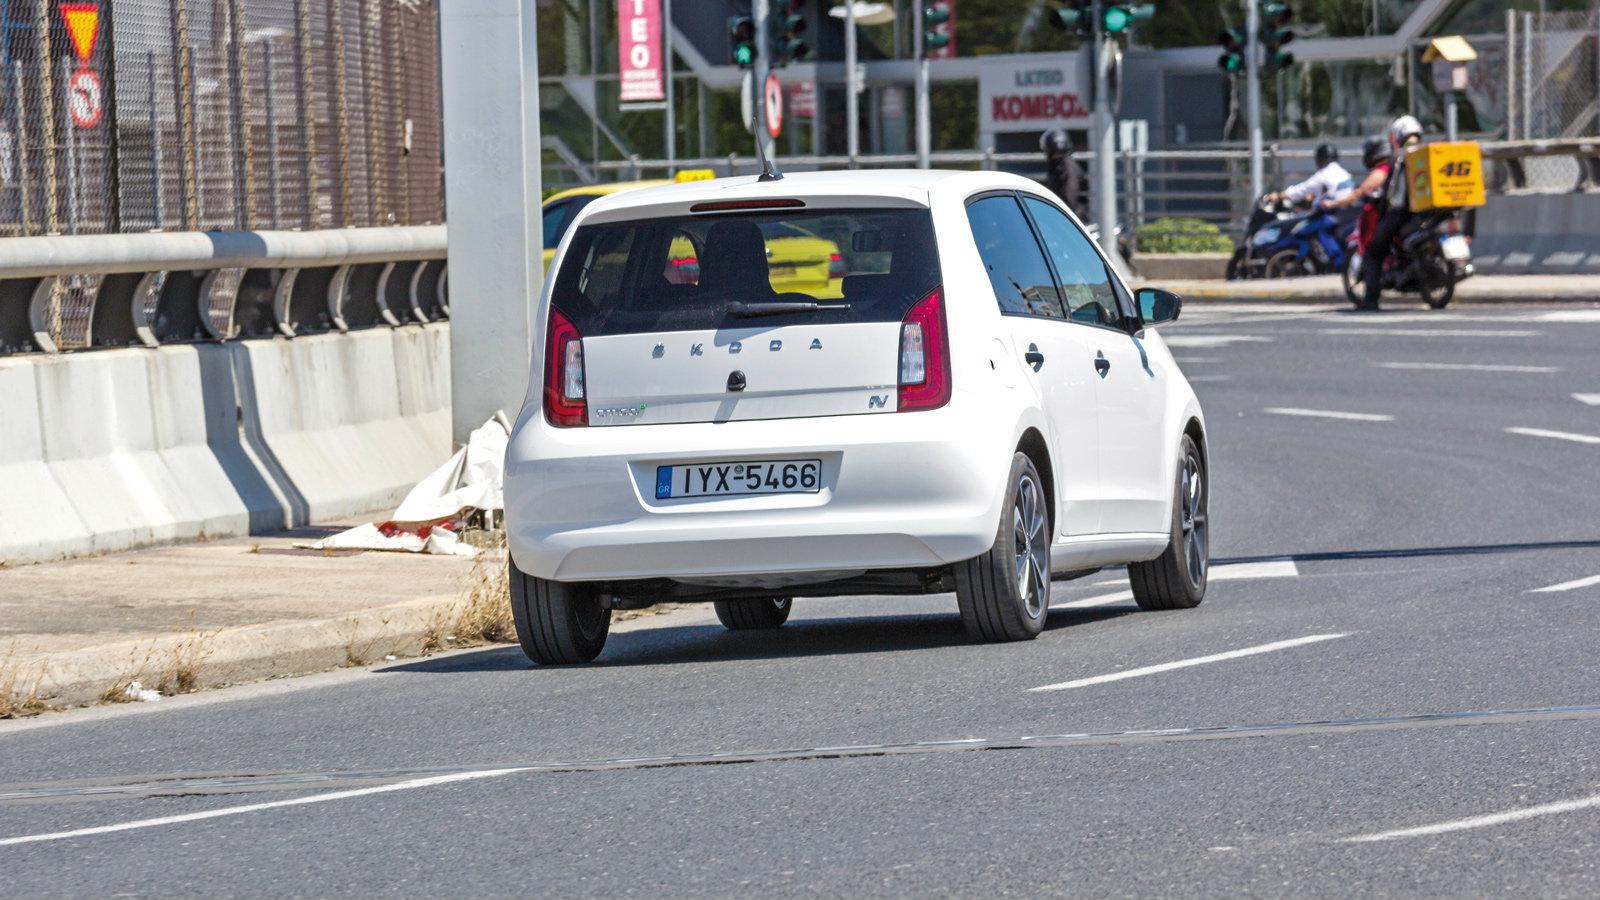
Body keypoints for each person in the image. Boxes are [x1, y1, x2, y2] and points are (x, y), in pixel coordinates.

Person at [1357, 115, 1424, 310]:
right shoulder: (1425, 153)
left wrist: (1382, 205)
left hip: (1401, 212)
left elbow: (1391, 189)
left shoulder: (1399, 155)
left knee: (1373, 251)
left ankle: (1370, 299)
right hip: (1425, 213)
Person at [1266, 143, 1355, 207]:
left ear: (1320, 159)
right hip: (1344, 214)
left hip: (1329, 216)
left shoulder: (1323, 175)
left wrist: (1278, 196)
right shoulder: (1345, 174)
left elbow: (1300, 190)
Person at [1040, 129, 1087, 221]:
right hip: (1068, 216)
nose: (1055, 157)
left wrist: (1061, 217)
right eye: (1055, 155)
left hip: (1070, 218)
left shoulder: (1066, 168)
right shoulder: (1061, 166)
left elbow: (1069, 196)